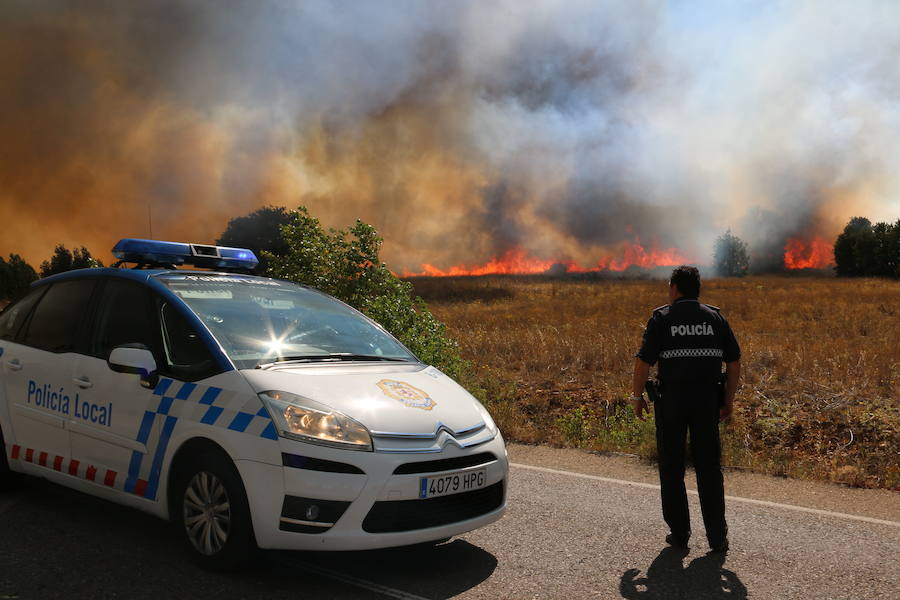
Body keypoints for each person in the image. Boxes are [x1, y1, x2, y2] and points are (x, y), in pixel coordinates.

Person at [631, 265, 741, 553]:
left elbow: (643, 363)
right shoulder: (715, 318)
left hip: (672, 405)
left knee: (672, 469)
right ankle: (718, 538)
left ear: (674, 288)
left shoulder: (662, 319)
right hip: (707, 404)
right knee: (709, 470)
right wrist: (728, 400)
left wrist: (636, 397)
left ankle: (680, 536)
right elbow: (734, 362)